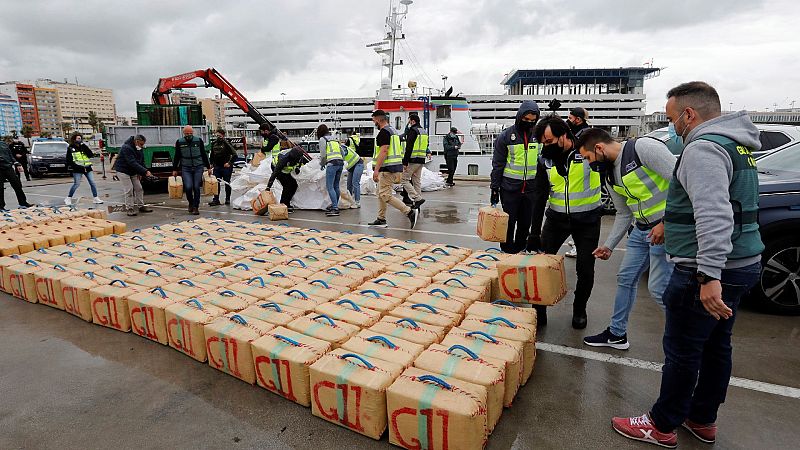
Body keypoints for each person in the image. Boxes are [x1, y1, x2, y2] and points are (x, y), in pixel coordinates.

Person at [612, 82, 763, 448]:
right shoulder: (737, 145)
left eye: (671, 119)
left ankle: (661, 424)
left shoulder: (703, 149)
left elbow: (714, 214)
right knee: (715, 347)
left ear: (689, 115)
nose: (672, 128)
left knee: (682, 350)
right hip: (742, 263)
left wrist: (708, 275)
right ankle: (702, 418)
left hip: (707, 269)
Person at [576, 128, 676, 349]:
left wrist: (666, 223)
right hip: (641, 231)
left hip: (666, 231)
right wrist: (609, 246)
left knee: (660, 289)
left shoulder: (643, 149)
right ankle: (617, 334)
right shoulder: (610, 173)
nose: (588, 164)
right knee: (625, 279)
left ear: (599, 148)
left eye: (587, 158)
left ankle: (687, 339)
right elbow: (623, 213)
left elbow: (683, 181)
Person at [529, 115, 603, 329]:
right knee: (542, 266)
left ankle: (579, 310)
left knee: (586, 269)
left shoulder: (587, 151)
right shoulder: (545, 159)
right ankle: (539, 311)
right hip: (556, 220)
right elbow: (540, 195)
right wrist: (534, 233)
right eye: (543, 142)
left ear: (564, 136)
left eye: (549, 141)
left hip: (587, 220)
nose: (546, 146)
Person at [490, 100, 541, 254]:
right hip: (510, 188)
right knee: (509, 223)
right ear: (519, 117)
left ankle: (520, 249)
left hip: (531, 189)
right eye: (526, 120)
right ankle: (506, 251)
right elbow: (498, 164)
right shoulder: (506, 136)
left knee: (525, 223)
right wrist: (494, 188)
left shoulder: (538, 136)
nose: (529, 123)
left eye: (533, 121)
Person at [368, 109, 417, 228]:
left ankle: (409, 212)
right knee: (380, 194)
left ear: (379, 120)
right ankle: (381, 219)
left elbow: (384, 151)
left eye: (374, 120)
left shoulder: (384, 132)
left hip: (387, 169)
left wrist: (376, 170)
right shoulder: (393, 131)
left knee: (385, 195)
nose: (374, 123)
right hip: (394, 167)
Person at [172, 125, 210, 215]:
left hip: (198, 166)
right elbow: (177, 156)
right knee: (188, 187)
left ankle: (196, 207)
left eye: (190, 133)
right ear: (184, 134)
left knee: (196, 187)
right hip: (186, 167)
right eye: (187, 133)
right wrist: (174, 169)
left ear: (193, 133)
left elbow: (204, 154)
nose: (189, 135)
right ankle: (191, 203)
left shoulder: (198, 140)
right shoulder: (179, 142)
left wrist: (208, 167)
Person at [113, 135, 154, 216]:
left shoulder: (139, 148)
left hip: (133, 171)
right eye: (141, 144)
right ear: (136, 141)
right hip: (123, 170)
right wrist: (145, 171)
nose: (142, 146)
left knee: (139, 188)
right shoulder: (126, 148)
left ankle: (141, 206)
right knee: (129, 189)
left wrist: (143, 172)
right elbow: (132, 162)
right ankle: (130, 208)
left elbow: (141, 161)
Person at [266, 141, 306, 212]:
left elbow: (300, 163)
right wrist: (268, 186)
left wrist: (297, 168)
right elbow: (274, 174)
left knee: (294, 185)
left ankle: (287, 203)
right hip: (276, 168)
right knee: (287, 185)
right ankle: (283, 204)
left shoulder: (299, 156)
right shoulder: (284, 160)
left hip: (286, 171)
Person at [65, 132, 103, 205]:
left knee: (92, 183)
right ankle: (68, 198)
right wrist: (76, 166)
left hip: (87, 168)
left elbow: (90, 155)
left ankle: (95, 198)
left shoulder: (83, 147)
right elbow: (69, 160)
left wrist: (85, 146)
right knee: (76, 184)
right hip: (78, 169)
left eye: (80, 138)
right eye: (78, 138)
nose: (80, 140)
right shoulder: (70, 148)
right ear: (74, 139)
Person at [400, 114, 428, 209]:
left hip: (413, 159)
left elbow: (409, 147)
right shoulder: (423, 131)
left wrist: (405, 161)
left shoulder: (413, 130)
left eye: (409, 121)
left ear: (412, 121)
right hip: (421, 159)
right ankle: (418, 203)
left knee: (404, 180)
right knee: (416, 181)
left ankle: (417, 198)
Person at [317, 124, 344, 216]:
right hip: (340, 163)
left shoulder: (322, 139)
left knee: (330, 186)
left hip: (332, 164)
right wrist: (341, 160)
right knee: (336, 186)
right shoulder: (334, 139)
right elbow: (343, 152)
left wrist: (322, 164)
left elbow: (323, 155)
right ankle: (334, 205)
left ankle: (335, 208)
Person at [0, 137, 33, 210]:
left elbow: (10, 155)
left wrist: (17, 163)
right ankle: (1, 207)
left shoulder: (3, 144)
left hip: (8, 168)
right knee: (0, 188)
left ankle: (23, 202)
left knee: (17, 184)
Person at [208, 129, 237, 206]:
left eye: (219, 136)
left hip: (226, 167)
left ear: (223, 136)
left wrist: (229, 163)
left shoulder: (227, 144)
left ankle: (227, 199)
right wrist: (210, 164)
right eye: (217, 135)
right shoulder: (214, 144)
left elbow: (235, 155)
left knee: (227, 183)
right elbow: (212, 155)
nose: (218, 137)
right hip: (217, 166)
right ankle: (216, 199)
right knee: (216, 183)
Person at [342, 141, 364, 209]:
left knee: (355, 182)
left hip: (358, 164)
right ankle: (350, 200)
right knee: (349, 184)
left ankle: (357, 202)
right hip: (351, 167)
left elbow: (343, 156)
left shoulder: (342, 148)